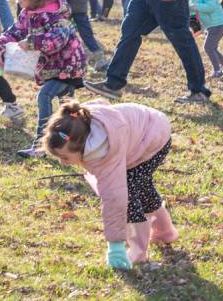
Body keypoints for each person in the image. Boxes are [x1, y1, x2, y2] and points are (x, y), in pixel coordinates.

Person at [42, 99, 178, 270]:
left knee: (128, 193)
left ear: (83, 148)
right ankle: (165, 232)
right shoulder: (78, 124)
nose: (62, 163)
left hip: (153, 138)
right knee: (142, 187)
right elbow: (101, 103)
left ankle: (138, 251)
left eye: (65, 157)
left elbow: (115, 201)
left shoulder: (103, 154)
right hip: (147, 126)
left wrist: (115, 247)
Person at [0, 0, 86, 158]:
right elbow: (14, 31)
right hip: (52, 68)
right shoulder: (28, 13)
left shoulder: (57, 14)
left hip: (67, 66)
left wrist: (32, 42)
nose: (17, 0)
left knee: (45, 96)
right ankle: (70, 144)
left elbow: (56, 40)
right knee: (67, 109)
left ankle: (41, 145)